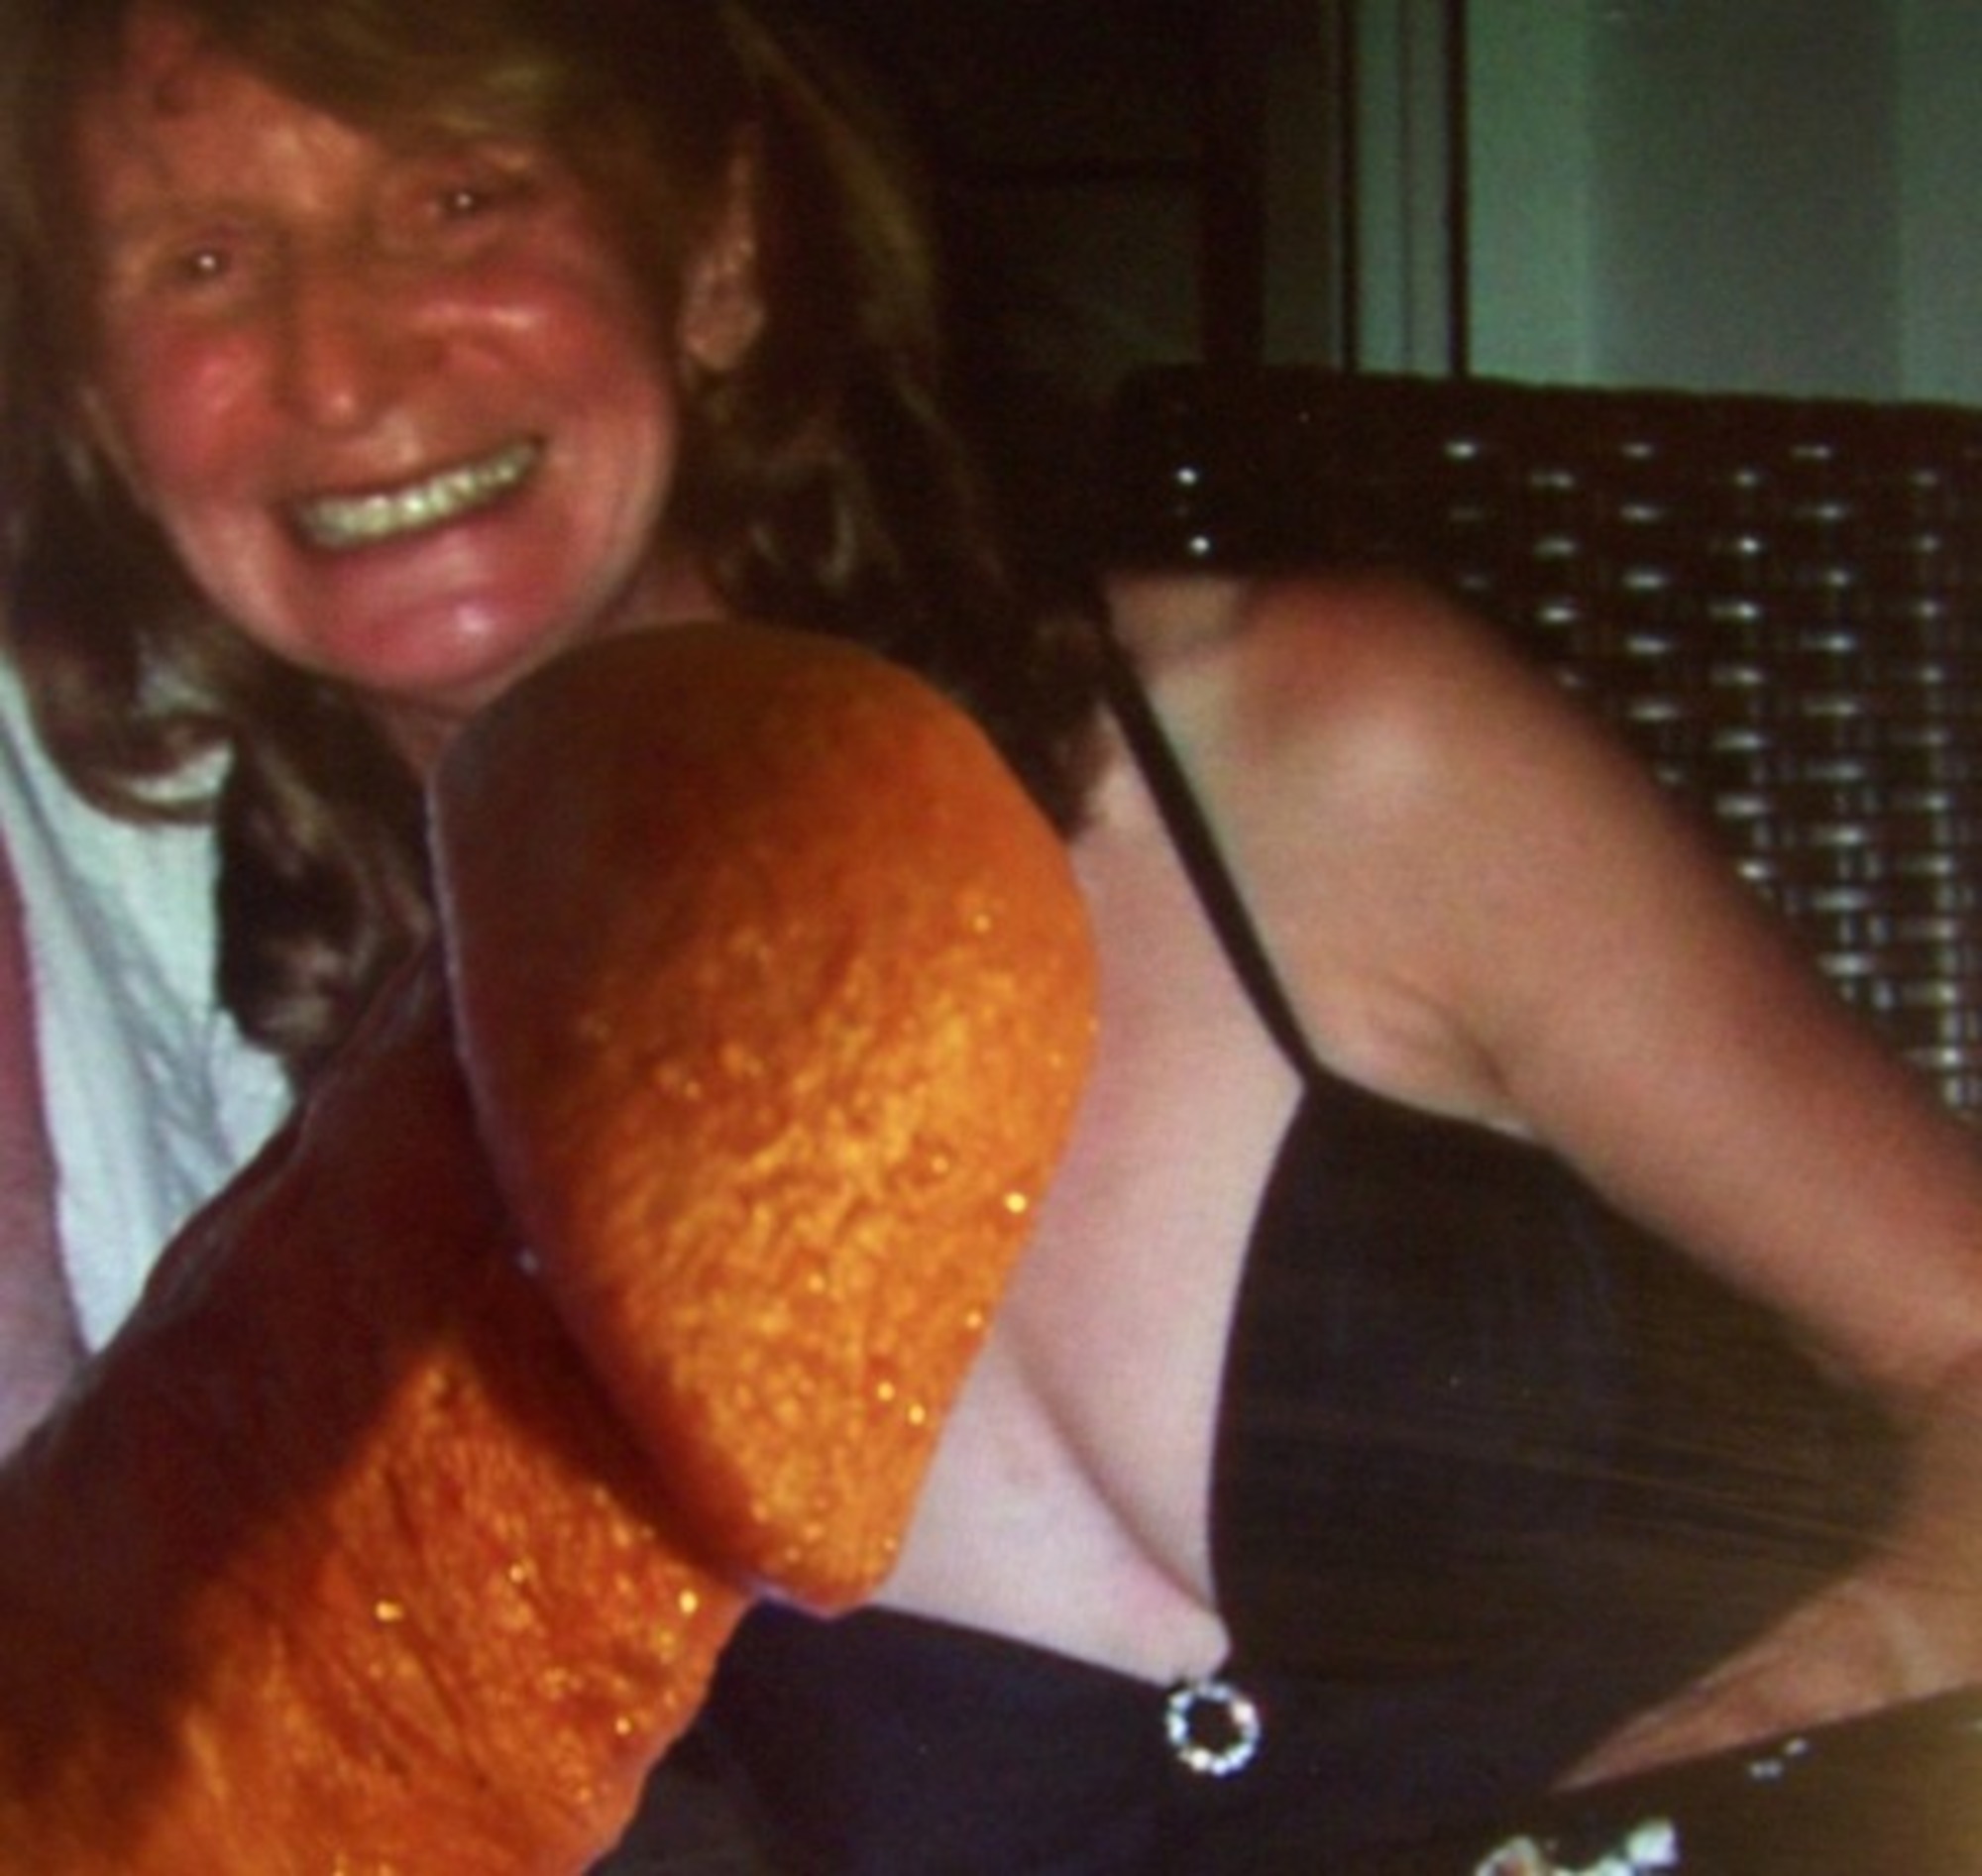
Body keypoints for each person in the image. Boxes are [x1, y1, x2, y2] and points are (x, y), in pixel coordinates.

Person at [1, 0, 1980, 1870]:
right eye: (201, 262)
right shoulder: (355, 1245)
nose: (339, 366)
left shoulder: (1309, 749)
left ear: (719, 256)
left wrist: (1758, 1734)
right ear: (98, 399)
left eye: (457, 198)